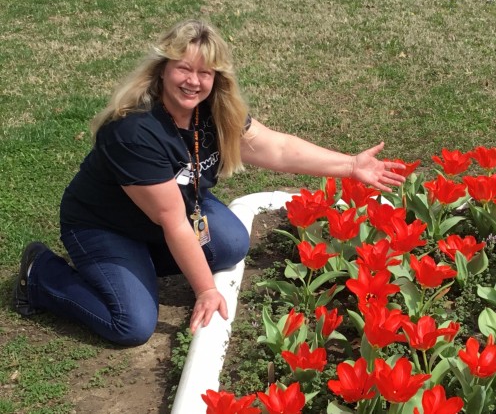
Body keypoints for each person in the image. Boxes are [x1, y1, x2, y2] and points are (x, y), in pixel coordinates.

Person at [13, 19, 406, 346]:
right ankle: (41, 275)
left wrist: (351, 166)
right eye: (183, 68)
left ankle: (137, 269)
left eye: (205, 72)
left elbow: (278, 149)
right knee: (131, 326)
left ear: (217, 78)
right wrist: (205, 290)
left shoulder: (214, 112)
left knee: (231, 244)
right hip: (104, 225)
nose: (193, 81)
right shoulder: (135, 131)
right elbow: (172, 222)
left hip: (171, 215)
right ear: (163, 69)